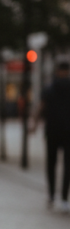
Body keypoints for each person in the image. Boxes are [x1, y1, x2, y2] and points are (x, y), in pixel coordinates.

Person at [35, 62, 70, 212]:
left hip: (52, 130)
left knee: (51, 163)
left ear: (57, 71)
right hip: (68, 131)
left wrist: (34, 124)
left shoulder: (49, 88)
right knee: (67, 165)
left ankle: (51, 195)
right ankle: (64, 198)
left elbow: (41, 106)